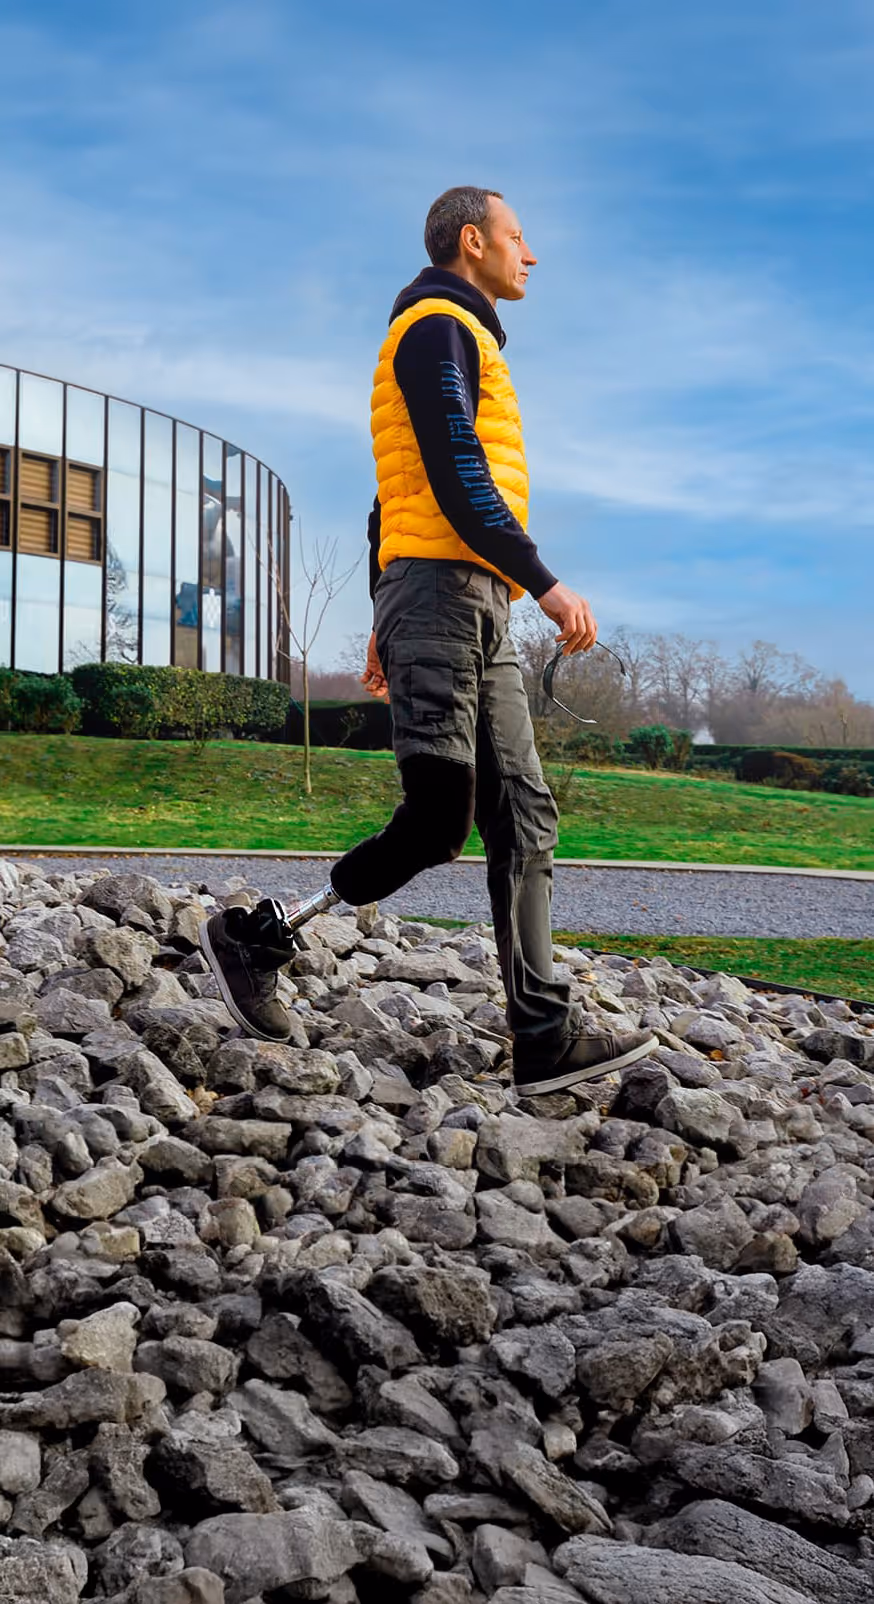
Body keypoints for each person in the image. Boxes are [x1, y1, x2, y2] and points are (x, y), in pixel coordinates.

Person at [200, 186, 657, 1095]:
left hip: (469, 604)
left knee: (525, 813)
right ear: (473, 240)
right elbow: (453, 474)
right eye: (520, 237)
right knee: (440, 819)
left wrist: (390, 603)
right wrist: (546, 581)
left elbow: (391, 499)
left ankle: (544, 1037)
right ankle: (258, 938)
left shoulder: (467, 338)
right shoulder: (435, 328)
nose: (532, 256)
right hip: (446, 597)